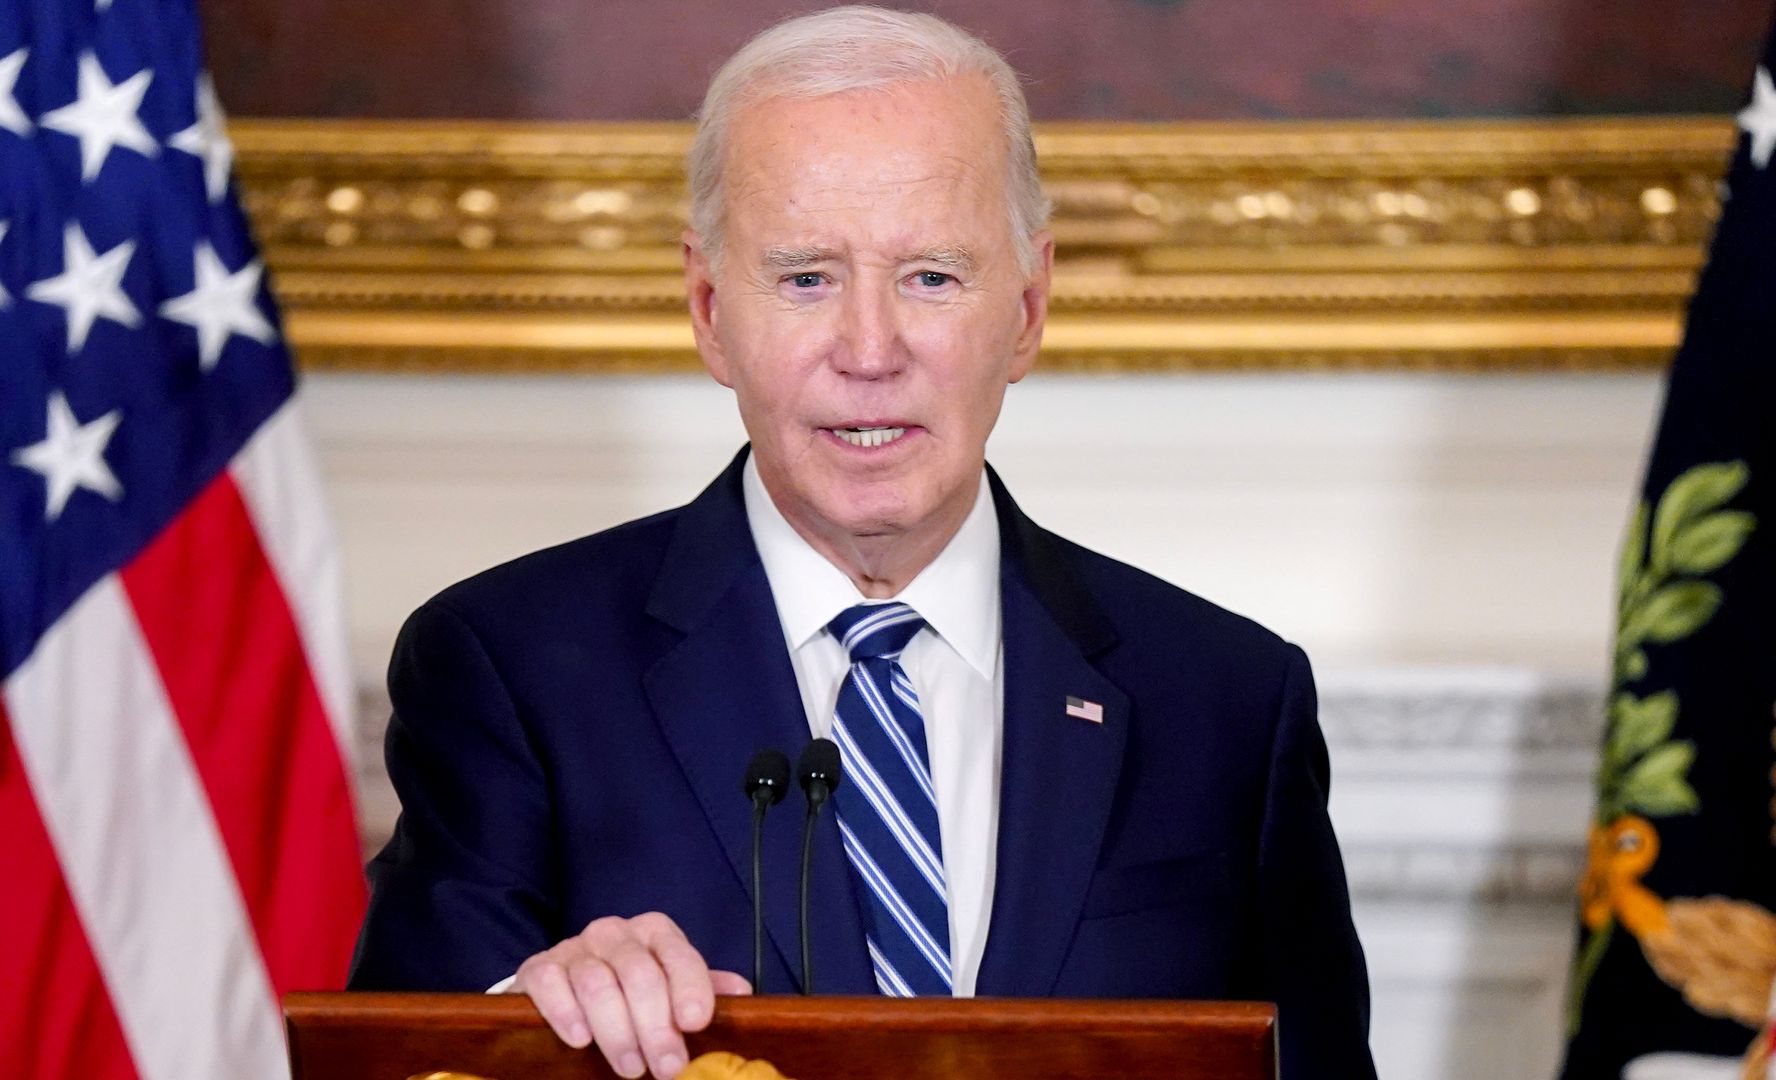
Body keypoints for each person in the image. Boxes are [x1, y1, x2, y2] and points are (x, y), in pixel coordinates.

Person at [347, 7, 1376, 1080]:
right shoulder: (510, 668)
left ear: (1026, 309)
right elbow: (396, 1058)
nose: (870, 350)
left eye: (932, 275)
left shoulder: (1225, 698)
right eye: (805, 278)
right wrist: (529, 1012)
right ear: (709, 311)